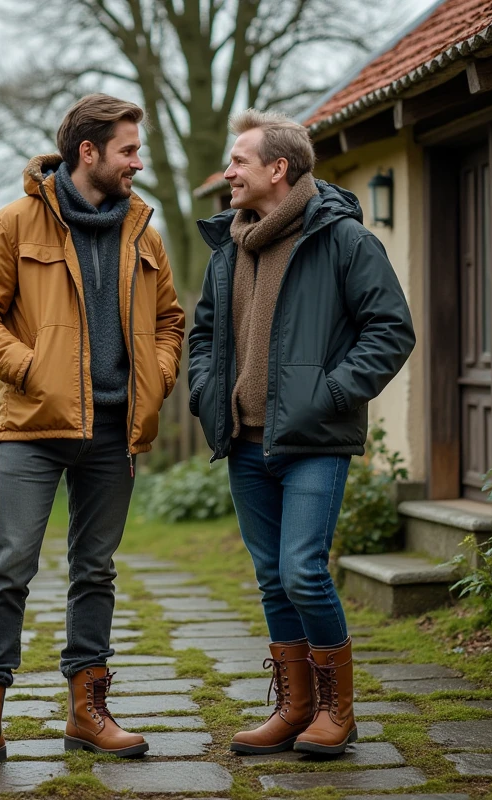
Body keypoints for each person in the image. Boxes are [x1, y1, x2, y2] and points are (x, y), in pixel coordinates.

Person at [0, 94, 186, 775]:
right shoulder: (13, 224)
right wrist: (31, 370)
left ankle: (87, 712)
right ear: (89, 152)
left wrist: (158, 377)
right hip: (33, 427)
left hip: (114, 430)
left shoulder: (144, 232)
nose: (138, 163)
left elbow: (170, 321)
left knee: (95, 570)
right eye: (129, 151)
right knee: (10, 565)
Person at [187, 109, 414, 757]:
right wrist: (207, 392)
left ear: (278, 168)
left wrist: (331, 395)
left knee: (303, 572)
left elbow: (390, 330)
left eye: (238, 161)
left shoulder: (344, 240)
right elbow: (204, 336)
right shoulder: (230, 248)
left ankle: (338, 710)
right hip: (244, 442)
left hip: (314, 440)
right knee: (271, 577)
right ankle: (294, 708)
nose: (228, 172)